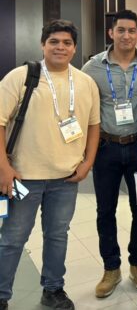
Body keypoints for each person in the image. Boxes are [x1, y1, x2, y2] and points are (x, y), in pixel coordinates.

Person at [0, 19, 100, 310]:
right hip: (23, 177)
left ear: (74, 48)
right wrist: (4, 167)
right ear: (43, 45)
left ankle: (53, 289)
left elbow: (94, 125)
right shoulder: (20, 76)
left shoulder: (85, 82)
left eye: (67, 43)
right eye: (54, 41)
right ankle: (2, 295)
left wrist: (88, 162)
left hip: (65, 179)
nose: (60, 47)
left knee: (57, 236)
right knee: (13, 238)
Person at [82, 10, 137, 298]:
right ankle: (111, 268)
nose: (126, 35)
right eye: (121, 30)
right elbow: (81, 106)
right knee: (105, 210)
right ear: (111, 33)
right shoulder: (92, 67)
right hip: (106, 148)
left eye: (131, 31)